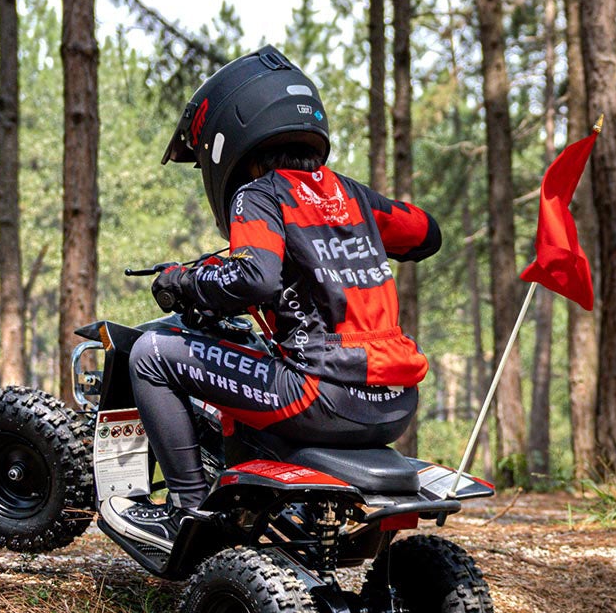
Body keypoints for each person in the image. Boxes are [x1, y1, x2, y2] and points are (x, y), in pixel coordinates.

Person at [100, 46, 440, 546]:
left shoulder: (259, 194)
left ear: (230, 141)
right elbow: (426, 234)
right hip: (393, 403)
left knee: (152, 356)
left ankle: (188, 514)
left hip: (322, 394)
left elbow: (256, 278)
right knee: (261, 357)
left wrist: (183, 282)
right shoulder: (353, 195)